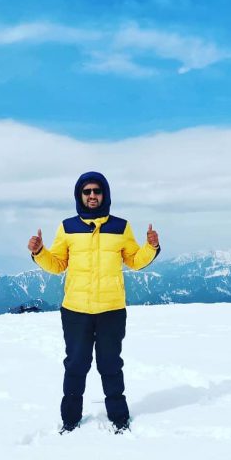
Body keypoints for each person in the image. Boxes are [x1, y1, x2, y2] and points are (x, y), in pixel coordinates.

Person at [27, 172, 160, 434]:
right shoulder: (67, 227)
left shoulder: (121, 227)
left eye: (96, 191)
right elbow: (58, 264)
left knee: (111, 365)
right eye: (86, 191)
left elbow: (134, 260)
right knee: (76, 365)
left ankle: (119, 418)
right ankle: (70, 419)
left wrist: (151, 247)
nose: (91, 195)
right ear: (79, 195)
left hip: (111, 309)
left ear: (104, 194)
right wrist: (40, 252)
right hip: (76, 310)